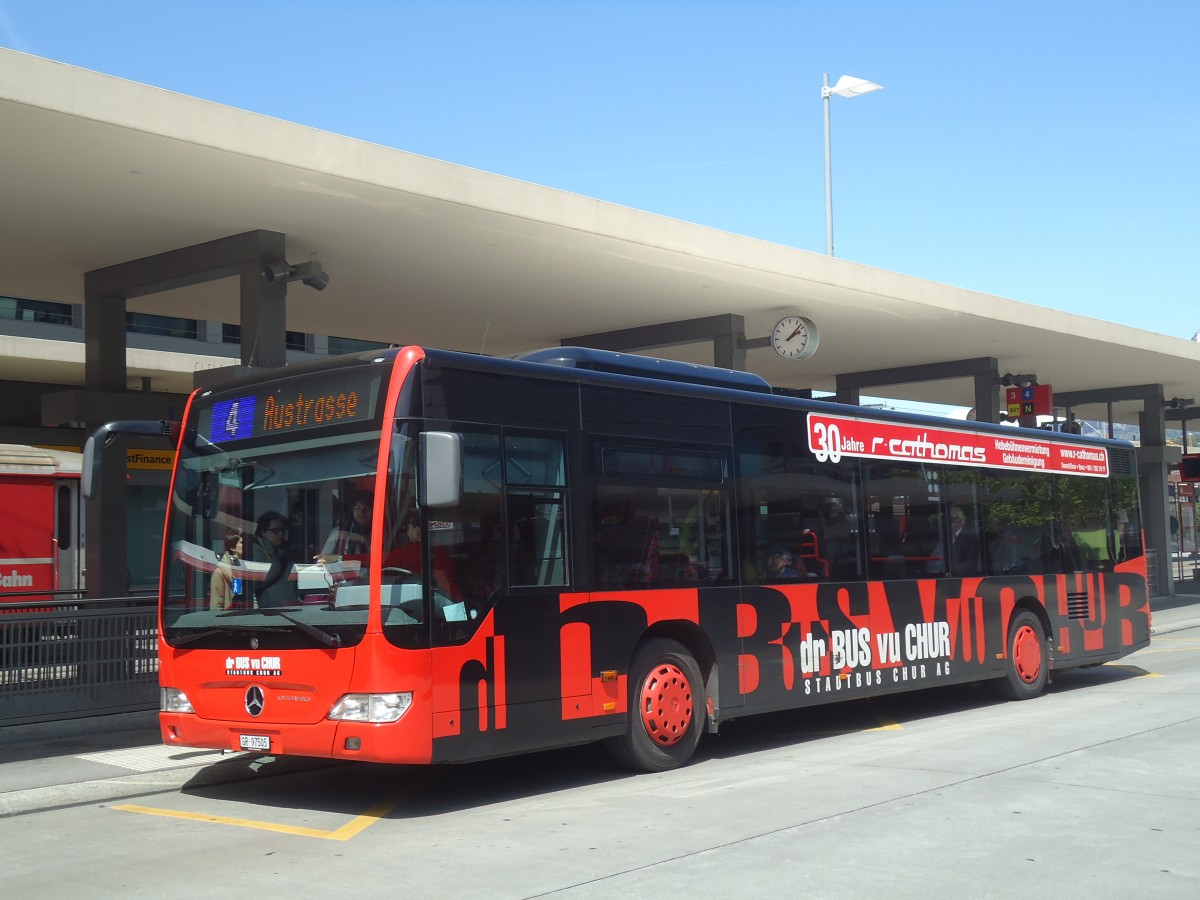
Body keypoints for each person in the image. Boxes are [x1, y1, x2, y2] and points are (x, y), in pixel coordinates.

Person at [251, 511, 298, 607]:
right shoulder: (255, 553)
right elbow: (251, 587)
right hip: (269, 610)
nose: (281, 534)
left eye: (283, 530)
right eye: (275, 531)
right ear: (263, 532)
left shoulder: (285, 551)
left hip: (289, 607)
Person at [316, 490, 373, 563]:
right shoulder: (339, 533)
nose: (361, 513)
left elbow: (374, 560)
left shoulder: (381, 533)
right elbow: (323, 559)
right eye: (357, 508)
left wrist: (338, 557)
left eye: (366, 509)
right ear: (352, 510)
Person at [209, 530, 243, 611]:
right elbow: (216, 608)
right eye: (242, 542)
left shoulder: (249, 569)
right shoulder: (220, 572)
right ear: (233, 547)